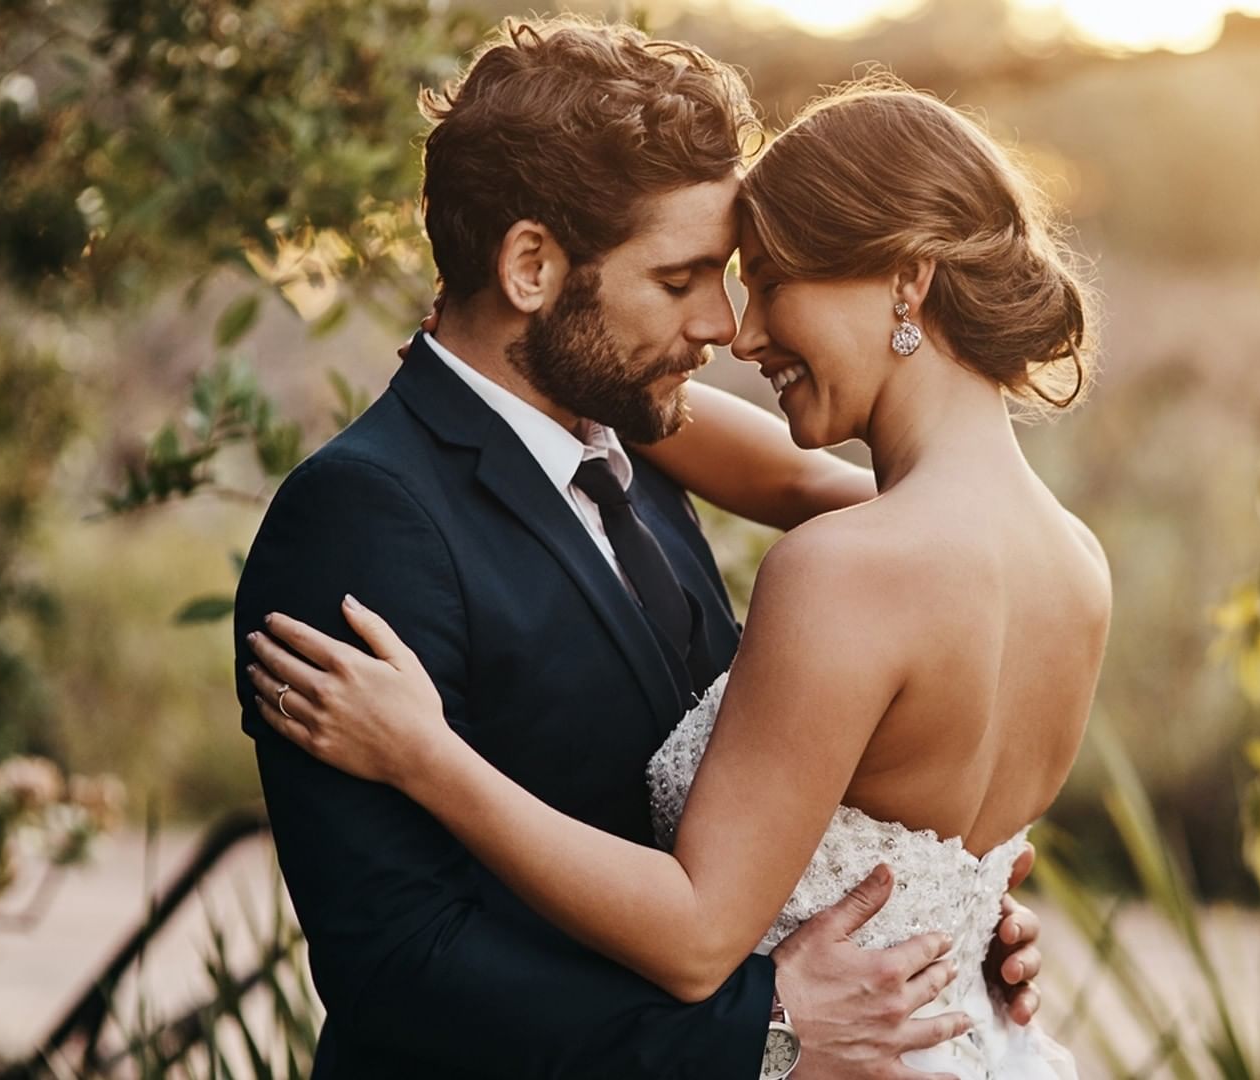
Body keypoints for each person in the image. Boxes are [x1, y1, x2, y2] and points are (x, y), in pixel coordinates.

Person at [231, 20, 1047, 1079]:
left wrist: (936, 925)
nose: (723, 324)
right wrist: (763, 1032)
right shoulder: (360, 516)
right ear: (531, 266)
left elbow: (747, 800)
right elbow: (396, 961)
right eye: (680, 279)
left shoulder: (649, 453)